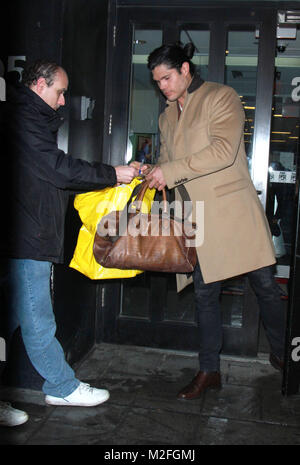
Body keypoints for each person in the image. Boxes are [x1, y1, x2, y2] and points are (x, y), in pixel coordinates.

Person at [140, 42, 286, 399]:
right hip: (197, 218)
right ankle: (209, 370)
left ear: (186, 69)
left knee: (265, 286)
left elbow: (223, 150)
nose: (164, 87)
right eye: (157, 81)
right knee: (205, 295)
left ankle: (285, 354)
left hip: (234, 213)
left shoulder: (223, 97)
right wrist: (152, 171)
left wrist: (170, 170)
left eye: (168, 77)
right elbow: (167, 159)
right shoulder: (166, 116)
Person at [0, 60, 137, 407]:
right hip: (26, 237)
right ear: (39, 85)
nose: (63, 101)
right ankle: (62, 387)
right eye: (60, 92)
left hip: (26, 233)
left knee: (15, 316)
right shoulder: (22, 120)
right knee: (38, 319)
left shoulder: (26, 118)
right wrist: (113, 173)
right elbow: (58, 169)